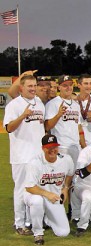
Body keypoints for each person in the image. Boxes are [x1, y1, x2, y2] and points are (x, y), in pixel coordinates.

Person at [4, 75, 45, 236]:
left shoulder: (39, 103)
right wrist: (22, 115)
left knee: (35, 189)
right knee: (21, 190)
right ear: (21, 88)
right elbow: (8, 128)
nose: (33, 88)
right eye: (29, 86)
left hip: (37, 156)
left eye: (34, 85)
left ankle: (30, 222)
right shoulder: (14, 105)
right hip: (21, 156)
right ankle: (19, 223)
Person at [24, 134, 74, 245]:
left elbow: (70, 173)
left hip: (53, 197)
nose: (52, 150)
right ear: (43, 148)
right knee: (37, 201)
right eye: (49, 147)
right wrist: (47, 194)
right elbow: (29, 187)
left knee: (63, 232)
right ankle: (38, 233)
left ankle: (47, 219)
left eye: (55, 147)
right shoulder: (35, 163)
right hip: (33, 194)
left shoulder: (66, 159)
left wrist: (65, 188)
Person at [45, 75, 86, 164]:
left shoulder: (76, 105)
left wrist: (84, 147)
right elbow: (47, 127)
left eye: (70, 85)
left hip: (76, 147)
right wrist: (58, 115)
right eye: (65, 85)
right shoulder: (52, 104)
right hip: (61, 147)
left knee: (75, 177)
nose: (68, 88)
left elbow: (78, 127)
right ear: (59, 87)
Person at [76, 74, 91, 146]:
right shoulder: (72, 101)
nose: (89, 86)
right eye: (86, 84)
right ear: (79, 85)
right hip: (75, 142)